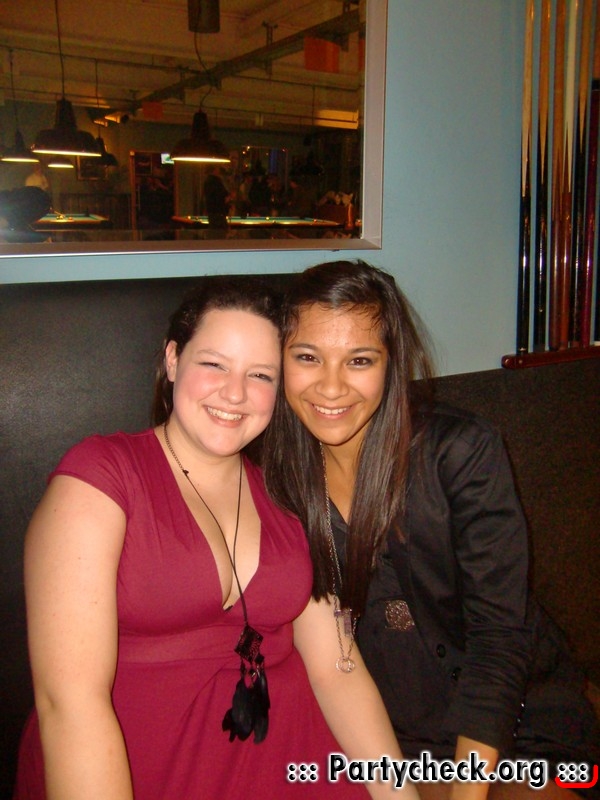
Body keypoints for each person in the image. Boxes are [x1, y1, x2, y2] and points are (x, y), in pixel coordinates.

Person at [13, 276, 419, 800]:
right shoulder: (103, 477)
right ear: (173, 359)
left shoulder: (287, 493)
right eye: (214, 364)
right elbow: (69, 704)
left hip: (294, 763)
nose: (235, 393)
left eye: (260, 374)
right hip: (135, 772)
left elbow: (337, 670)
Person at [263, 260, 600, 800]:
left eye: (359, 360)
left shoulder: (459, 453)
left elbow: (499, 639)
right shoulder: (276, 477)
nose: (331, 386)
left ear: (392, 363)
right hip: (383, 736)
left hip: (513, 732)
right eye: (307, 357)